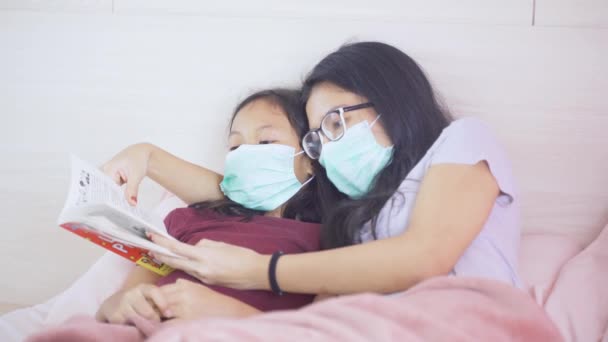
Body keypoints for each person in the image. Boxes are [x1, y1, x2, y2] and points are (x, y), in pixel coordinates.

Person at [104, 41, 521, 313]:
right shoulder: (354, 222)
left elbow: (424, 257)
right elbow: (240, 197)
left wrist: (257, 271)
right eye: (320, 135)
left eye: (337, 122)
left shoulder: (463, 142)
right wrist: (149, 157)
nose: (331, 147)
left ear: (393, 100)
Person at [97, 89, 340, 324]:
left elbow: (317, 333)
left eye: (265, 141)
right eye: (235, 147)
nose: (245, 154)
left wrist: (230, 313)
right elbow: (116, 303)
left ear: (310, 159)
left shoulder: (328, 241)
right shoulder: (188, 219)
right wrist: (121, 304)